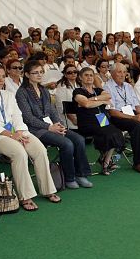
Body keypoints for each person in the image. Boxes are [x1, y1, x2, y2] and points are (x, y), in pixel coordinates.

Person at [0, 62, 60, 211]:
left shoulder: (8, 95)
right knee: (19, 152)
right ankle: (25, 196)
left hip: (17, 133)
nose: (1, 80)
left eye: (3, 76)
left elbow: (17, 116)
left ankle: (47, 189)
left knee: (39, 149)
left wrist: (19, 132)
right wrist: (12, 135)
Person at [15, 59, 93, 190]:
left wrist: (59, 124)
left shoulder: (43, 90)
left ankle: (81, 174)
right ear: (27, 75)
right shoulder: (22, 93)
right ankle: (69, 178)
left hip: (52, 126)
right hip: (36, 130)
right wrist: (49, 127)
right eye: (35, 73)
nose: (39, 75)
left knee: (79, 139)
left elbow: (52, 110)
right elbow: (28, 118)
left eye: (41, 72)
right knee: (67, 144)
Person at [72, 66, 125, 175]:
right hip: (87, 121)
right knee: (107, 133)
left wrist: (94, 99)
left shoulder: (98, 90)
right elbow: (86, 104)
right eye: (86, 75)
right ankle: (105, 163)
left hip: (101, 119)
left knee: (116, 132)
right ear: (80, 78)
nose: (89, 77)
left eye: (91, 75)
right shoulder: (77, 91)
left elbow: (108, 96)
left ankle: (104, 160)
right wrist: (102, 101)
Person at [54, 64, 80, 129]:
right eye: (69, 73)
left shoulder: (80, 85)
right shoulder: (62, 87)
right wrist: (74, 120)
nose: (73, 74)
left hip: (81, 116)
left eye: (75, 72)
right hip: (70, 120)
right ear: (65, 75)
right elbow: (62, 106)